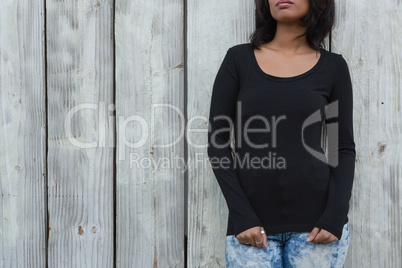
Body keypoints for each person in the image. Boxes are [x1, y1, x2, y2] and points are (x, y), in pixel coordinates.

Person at [207, 0, 356, 267]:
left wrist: (335, 216)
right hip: (251, 229)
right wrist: (242, 215)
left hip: (317, 230)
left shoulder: (333, 67)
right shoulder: (238, 60)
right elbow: (217, 141)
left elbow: (341, 148)